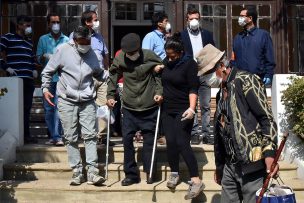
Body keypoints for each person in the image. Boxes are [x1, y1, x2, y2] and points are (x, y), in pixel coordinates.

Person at [196, 44, 279, 203]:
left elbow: (266, 119)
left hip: (252, 165)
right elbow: (222, 131)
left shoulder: (246, 80)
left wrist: (269, 154)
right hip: (230, 166)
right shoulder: (221, 93)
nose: (206, 79)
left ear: (221, 65)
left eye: (208, 73)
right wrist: (220, 166)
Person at [41, 26, 105, 186]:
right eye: (83, 42)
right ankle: (77, 172)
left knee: (91, 136)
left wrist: (110, 77)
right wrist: (45, 88)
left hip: (88, 99)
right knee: (70, 137)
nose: (86, 45)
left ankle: (92, 172)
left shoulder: (93, 53)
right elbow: (47, 71)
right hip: (67, 99)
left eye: (88, 41)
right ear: (75, 41)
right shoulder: (62, 50)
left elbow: (98, 73)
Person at [107, 33, 163, 186]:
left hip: (149, 106)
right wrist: (110, 95)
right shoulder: (120, 58)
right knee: (126, 141)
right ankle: (131, 175)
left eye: (133, 53)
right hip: (129, 107)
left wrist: (159, 93)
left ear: (139, 49)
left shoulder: (150, 56)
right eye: (128, 53)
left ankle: (150, 171)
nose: (130, 56)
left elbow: (159, 75)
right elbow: (112, 76)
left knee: (150, 142)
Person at [161, 32, 205, 200]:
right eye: (168, 55)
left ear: (180, 53)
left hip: (184, 109)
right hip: (167, 109)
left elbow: (194, 88)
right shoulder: (166, 62)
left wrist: (192, 108)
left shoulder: (189, 64)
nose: (170, 59)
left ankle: (196, 180)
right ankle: (174, 172)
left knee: (181, 142)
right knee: (170, 141)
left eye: (172, 56)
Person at [70, 10, 113, 145]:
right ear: (87, 22)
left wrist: (107, 70)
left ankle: (103, 136)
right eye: (94, 19)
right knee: (85, 107)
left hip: (101, 77)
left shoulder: (99, 37)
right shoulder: (75, 35)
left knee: (105, 106)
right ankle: (86, 135)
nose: (97, 22)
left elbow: (105, 55)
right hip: (84, 77)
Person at [0, 15, 38, 144]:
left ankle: (26, 135)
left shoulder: (28, 41)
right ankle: (16, 135)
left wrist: (34, 69)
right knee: (16, 108)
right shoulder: (7, 38)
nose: (29, 28)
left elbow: (32, 58)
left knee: (26, 109)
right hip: (15, 80)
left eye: (30, 25)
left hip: (28, 80)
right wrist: (6, 67)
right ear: (19, 26)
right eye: (27, 25)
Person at [181, 7, 215, 145]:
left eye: (196, 18)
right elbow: (180, 54)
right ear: (187, 20)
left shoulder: (207, 34)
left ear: (199, 19)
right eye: (191, 19)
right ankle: (194, 133)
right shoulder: (182, 35)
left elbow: (213, 51)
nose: (194, 21)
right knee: (192, 105)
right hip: (190, 74)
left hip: (205, 73)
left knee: (206, 105)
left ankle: (206, 133)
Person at [36, 13, 69, 146]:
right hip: (48, 80)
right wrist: (45, 56)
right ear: (49, 24)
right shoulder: (43, 39)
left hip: (62, 79)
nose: (56, 25)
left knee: (59, 108)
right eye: (53, 22)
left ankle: (57, 136)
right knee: (49, 108)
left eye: (58, 22)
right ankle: (53, 135)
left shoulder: (66, 40)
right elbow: (37, 58)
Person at [142, 12, 171, 145]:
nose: (167, 23)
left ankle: (164, 133)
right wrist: (153, 67)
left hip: (165, 73)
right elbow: (145, 57)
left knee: (165, 103)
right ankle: (154, 133)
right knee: (155, 103)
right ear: (159, 23)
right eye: (166, 21)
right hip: (154, 75)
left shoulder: (166, 37)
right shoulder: (150, 37)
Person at [232, 6, 275, 86]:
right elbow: (234, 59)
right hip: (240, 80)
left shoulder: (263, 35)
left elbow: (269, 58)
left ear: (250, 18)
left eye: (242, 16)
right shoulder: (237, 37)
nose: (239, 18)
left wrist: (269, 74)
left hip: (258, 80)